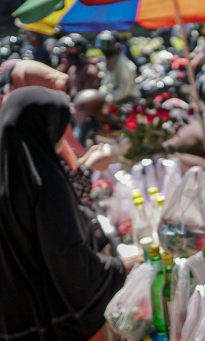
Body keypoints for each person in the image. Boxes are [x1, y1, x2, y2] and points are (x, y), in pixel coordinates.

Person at [0, 86, 132, 340]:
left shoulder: (11, 174)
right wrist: (119, 269)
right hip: (53, 319)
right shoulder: (45, 183)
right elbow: (68, 256)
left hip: (14, 318)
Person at [96, 30, 140, 105]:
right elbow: (106, 84)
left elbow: (125, 88)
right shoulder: (107, 62)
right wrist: (101, 96)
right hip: (113, 101)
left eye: (107, 44)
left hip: (128, 102)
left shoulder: (123, 64)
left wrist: (109, 100)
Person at [57, 33, 101, 99]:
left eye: (71, 50)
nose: (68, 54)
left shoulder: (89, 70)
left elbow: (89, 97)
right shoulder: (72, 68)